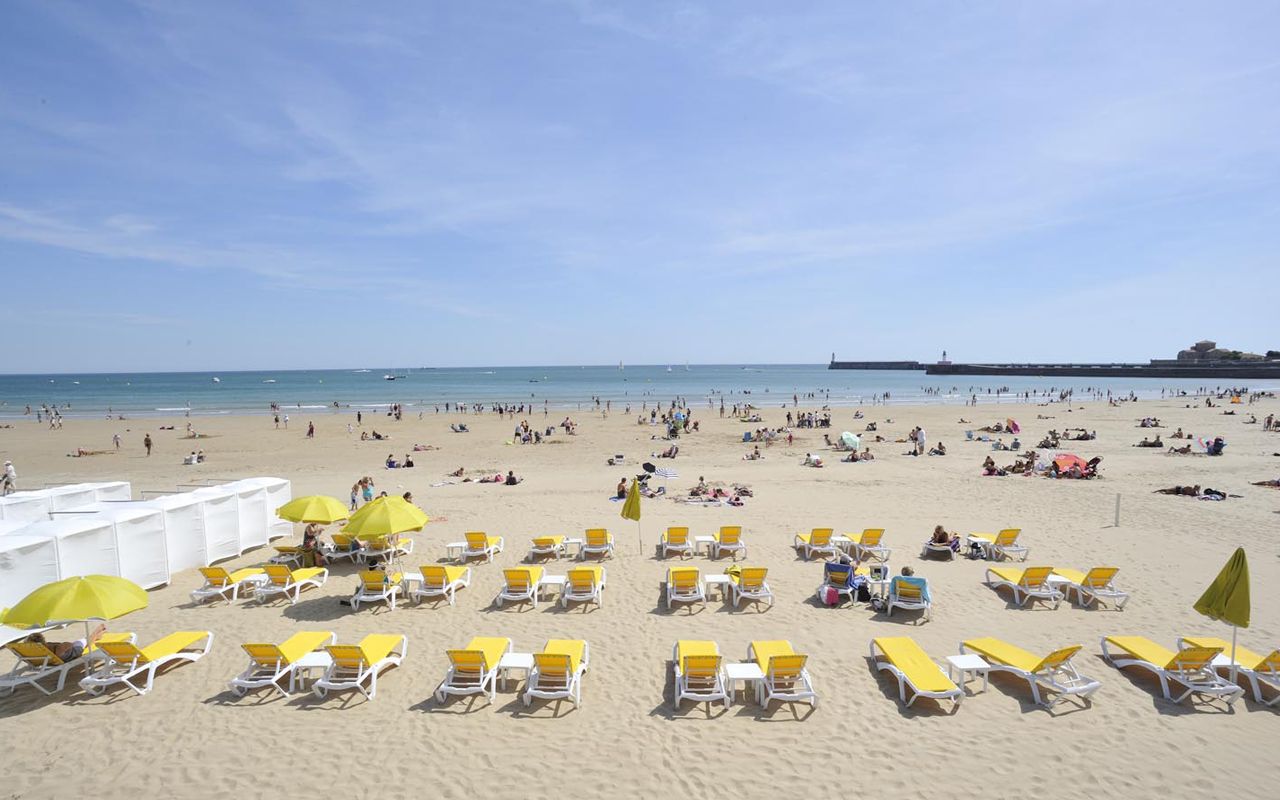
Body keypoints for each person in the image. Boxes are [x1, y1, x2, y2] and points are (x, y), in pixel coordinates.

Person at [27, 624, 107, 662]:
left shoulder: (34, 652)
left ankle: (96, 635)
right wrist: (62, 645)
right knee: (83, 642)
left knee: (83, 640)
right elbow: (69, 645)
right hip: (74, 652)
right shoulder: (52, 648)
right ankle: (96, 634)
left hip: (63, 654)